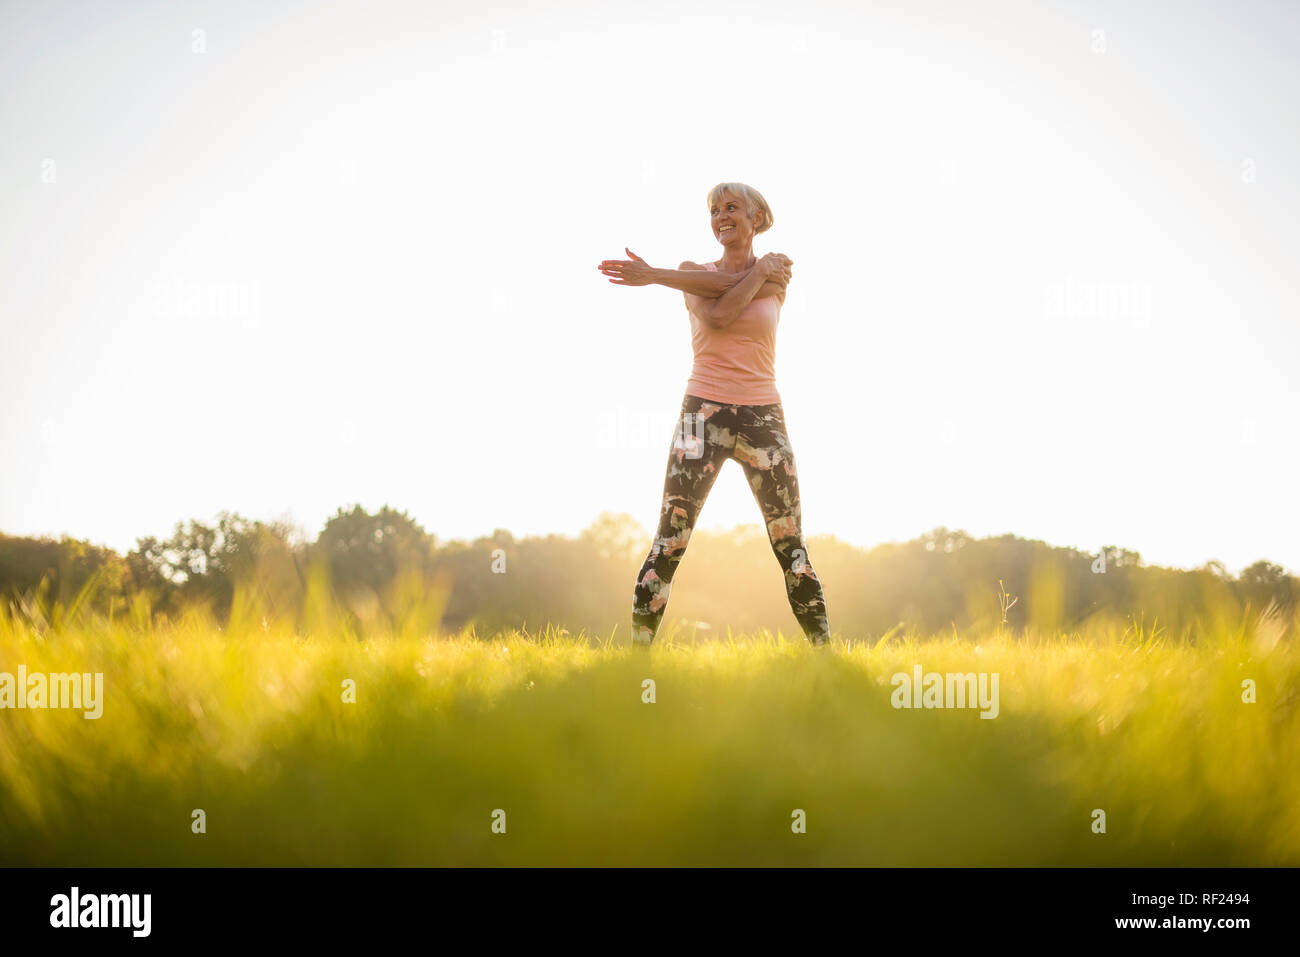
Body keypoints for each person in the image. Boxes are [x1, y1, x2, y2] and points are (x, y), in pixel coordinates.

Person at [597, 182, 831, 648]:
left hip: (764, 415)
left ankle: (827, 658)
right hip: (700, 413)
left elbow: (726, 294)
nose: (721, 216)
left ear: (757, 218)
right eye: (714, 210)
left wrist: (656, 275)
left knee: (791, 543)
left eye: (732, 208)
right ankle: (636, 661)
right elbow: (719, 317)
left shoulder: (777, 274)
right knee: (670, 541)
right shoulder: (691, 273)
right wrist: (674, 274)